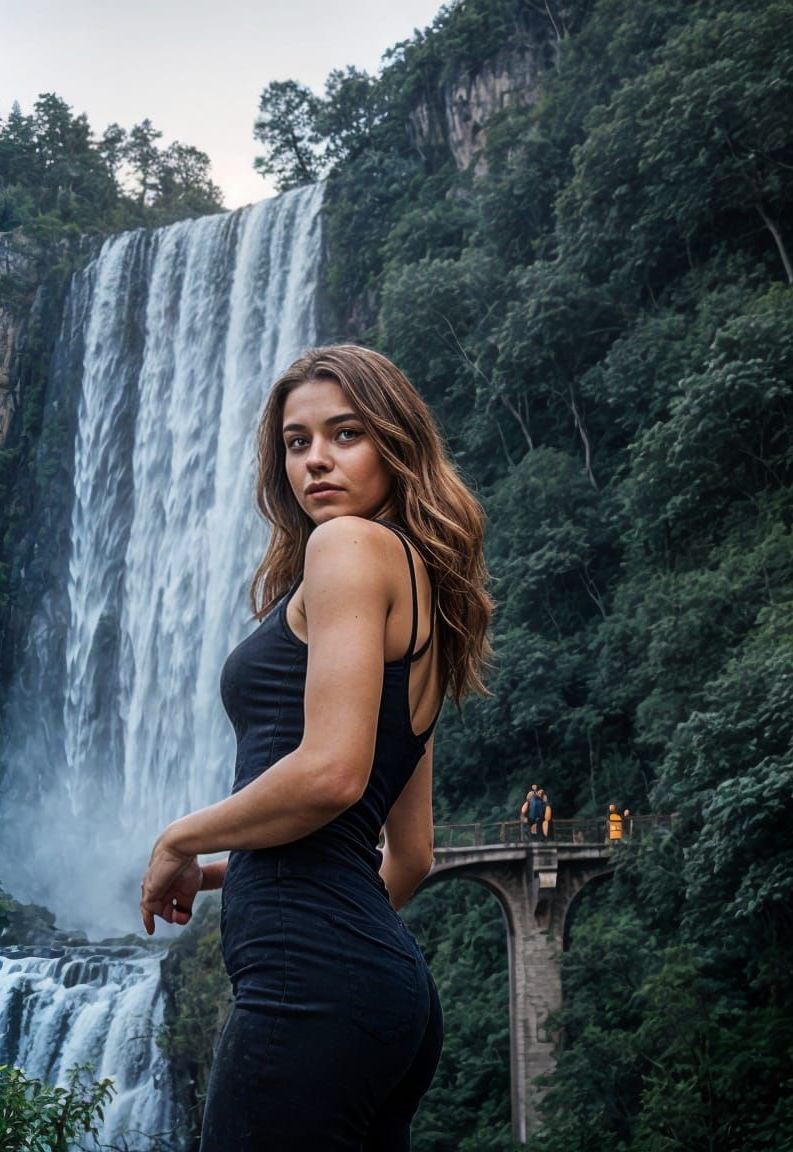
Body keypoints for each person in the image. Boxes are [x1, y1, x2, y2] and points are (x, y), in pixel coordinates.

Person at [137, 345, 493, 1151]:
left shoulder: (349, 548)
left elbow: (332, 776)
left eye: (346, 434)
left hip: (312, 988)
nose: (317, 461)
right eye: (297, 442)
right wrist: (238, 871)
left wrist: (180, 839)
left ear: (396, 443)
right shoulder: (424, 595)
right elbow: (410, 855)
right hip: (386, 997)